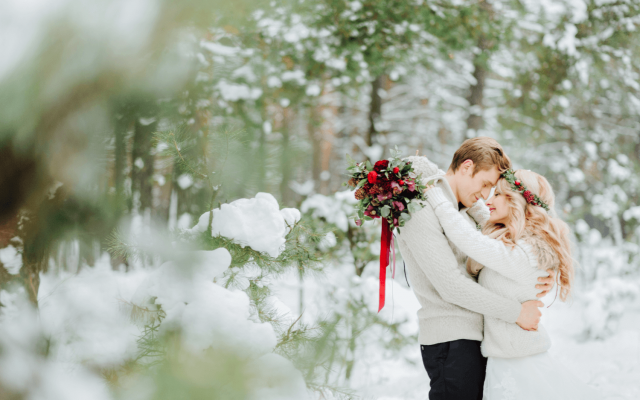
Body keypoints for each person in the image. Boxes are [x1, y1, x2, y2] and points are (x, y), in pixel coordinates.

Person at [396, 137, 555, 400]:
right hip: (450, 340)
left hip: (476, 339)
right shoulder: (421, 208)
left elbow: (513, 236)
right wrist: (516, 312)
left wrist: (541, 275)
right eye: (485, 185)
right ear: (466, 167)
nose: (485, 195)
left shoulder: (463, 209)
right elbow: (450, 285)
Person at [422, 168, 601, 399]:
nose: (489, 199)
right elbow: (481, 227)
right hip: (506, 361)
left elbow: (468, 239)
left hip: (519, 365)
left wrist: (436, 197)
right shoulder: (514, 244)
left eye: (497, 194)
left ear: (517, 202)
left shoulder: (527, 252)